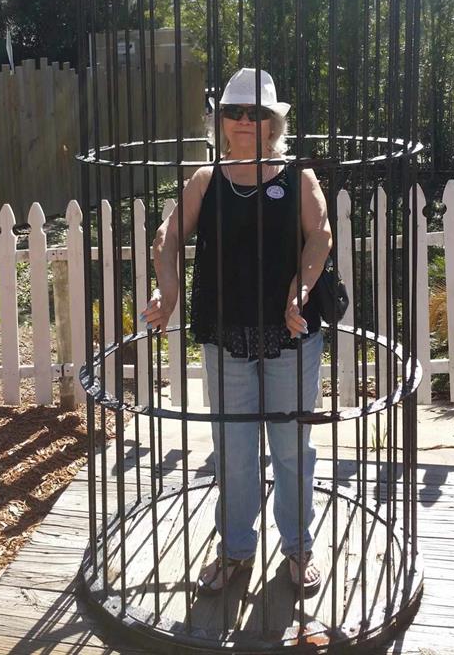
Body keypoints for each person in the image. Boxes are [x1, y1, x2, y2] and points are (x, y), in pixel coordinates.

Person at [142, 68, 332, 596]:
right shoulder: (206, 181)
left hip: (290, 335)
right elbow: (168, 236)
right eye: (235, 112)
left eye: (256, 113)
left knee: (292, 445)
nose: (245, 121)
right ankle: (236, 549)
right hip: (226, 334)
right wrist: (169, 292)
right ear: (220, 121)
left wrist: (301, 287)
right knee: (234, 447)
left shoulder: (298, 177)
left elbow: (320, 234)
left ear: (273, 122)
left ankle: (297, 546)